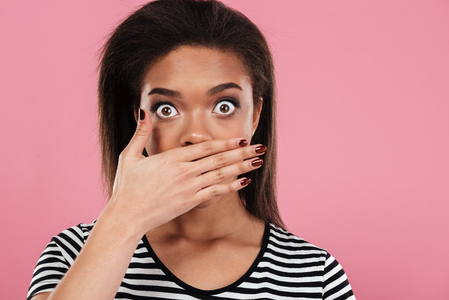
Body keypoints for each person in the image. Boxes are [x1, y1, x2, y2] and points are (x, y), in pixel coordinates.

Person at [27, 0, 355, 299]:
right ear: (137, 117)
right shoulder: (72, 253)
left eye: (224, 105)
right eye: (167, 109)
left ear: (255, 114)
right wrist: (123, 220)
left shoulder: (315, 273)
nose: (196, 136)